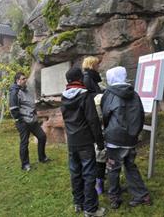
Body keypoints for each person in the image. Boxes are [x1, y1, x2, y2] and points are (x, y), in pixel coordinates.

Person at [101, 66, 152, 209]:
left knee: (113, 168)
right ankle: (142, 195)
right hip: (131, 137)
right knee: (130, 166)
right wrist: (135, 133)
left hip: (114, 138)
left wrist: (107, 131)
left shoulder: (109, 93)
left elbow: (105, 114)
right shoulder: (134, 93)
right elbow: (141, 114)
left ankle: (114, 197)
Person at [61, 67, 106, 217]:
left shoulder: (63, 97)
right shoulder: (85, 96)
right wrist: (100, 142)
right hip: (85, 142)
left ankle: (78, 203)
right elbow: (93, 121)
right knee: (88, 174)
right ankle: (91, 209)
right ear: (79, 79)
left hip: (72, 142)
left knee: (75, 173)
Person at [9, 72, 50, 171]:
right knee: (24, 142)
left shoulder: (26, 90)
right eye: (23, 79)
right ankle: (25, 165)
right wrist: (21, 120)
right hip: (23, 122)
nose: (25, 80)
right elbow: (13, 109)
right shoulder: (14, 92)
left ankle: (42, 157)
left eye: (25, 78)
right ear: (18, 80)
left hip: (32, 120)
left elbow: (29, 103)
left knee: (42, 136)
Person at [82, 56, 106, 195]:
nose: (99, 67)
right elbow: (90, 98)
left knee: (99, 150)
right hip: (95, 117)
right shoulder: (87, 79)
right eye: (97, 64)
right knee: (99, 149)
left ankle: (99, 177)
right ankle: (98, 180)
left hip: (97, 115)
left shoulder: (91, 78)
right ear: (92, 65)